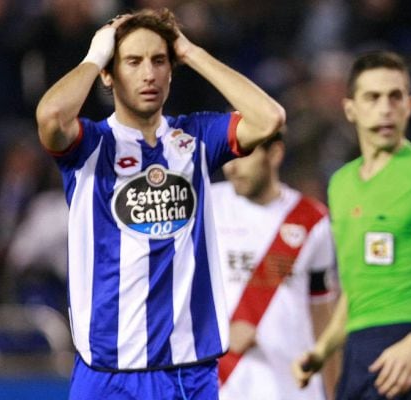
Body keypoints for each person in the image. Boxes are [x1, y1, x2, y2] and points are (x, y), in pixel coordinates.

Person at [34, 8, 285, 400]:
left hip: (186, 372)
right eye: (133, 62)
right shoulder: (89, 146)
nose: (149, 73)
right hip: (106, 371)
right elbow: (50, 116)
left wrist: (190, 51)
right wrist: (94, 55)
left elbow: (269, 118)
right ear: (109, 75)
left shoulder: (197, 136)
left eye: (159, 60)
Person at [292, 51, 411, 400]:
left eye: (395, 96)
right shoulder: (340, 183)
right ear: (350, 108)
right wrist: (322, 350)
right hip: (356, 354)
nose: (385, 108)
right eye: (372, 97)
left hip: (410, 356)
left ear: (410, 105)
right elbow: (355, 289)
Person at [210, 133, 339, 400]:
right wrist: (219, 330)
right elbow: (170, 291)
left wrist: (335, 390)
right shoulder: (206, 206)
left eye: (243, 154)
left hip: (290, 387)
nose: (231, 166)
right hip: (221, 386)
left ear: (275, 154)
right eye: (227, 156)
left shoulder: (312, 220)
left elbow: (322, 314)